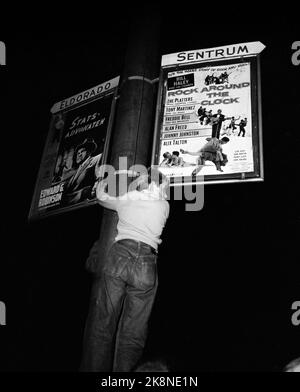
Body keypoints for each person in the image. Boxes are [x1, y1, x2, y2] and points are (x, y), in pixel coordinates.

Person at [80, 168, 170, 372]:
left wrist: (113, 176)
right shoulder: (164, 205)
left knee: (104, 323)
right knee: (133, 332)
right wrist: (152, 179)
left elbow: (101, 196)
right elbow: (164, 185)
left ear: (139, 185)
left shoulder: (128, 198)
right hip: (147, 263)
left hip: (120, 256)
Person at [62, 138, 103, 205]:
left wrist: (92, 195)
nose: (79, 154)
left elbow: (99, 178)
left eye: (82, 151)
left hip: (86, 202)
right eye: (78, 153)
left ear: (89, 152)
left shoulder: (96, 159)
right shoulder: (77, 170)